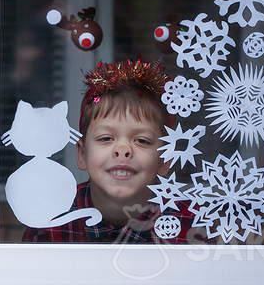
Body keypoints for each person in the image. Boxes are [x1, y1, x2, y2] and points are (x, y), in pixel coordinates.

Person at [22, 59, 195, 243]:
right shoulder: (50, 221)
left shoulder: (189, 223)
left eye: (142, 140)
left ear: (164, 160)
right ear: (82, 154)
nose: (123, 150)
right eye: (106, 138)